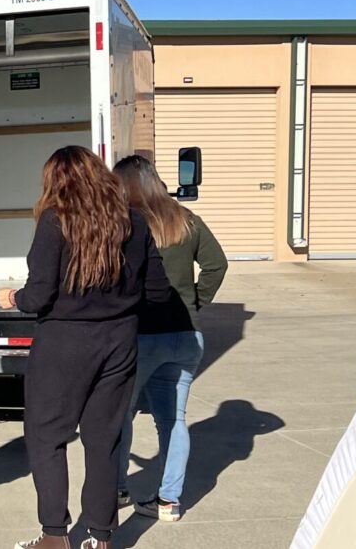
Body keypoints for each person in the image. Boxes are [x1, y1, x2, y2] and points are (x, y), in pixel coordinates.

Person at [1, 146, 173, 549]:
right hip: (119, 341)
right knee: (104, 439)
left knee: (47, 436)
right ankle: (100, 536)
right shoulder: (134, 223)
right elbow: (159, 292)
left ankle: (55, 536)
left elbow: (40, 295)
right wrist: (121, 308)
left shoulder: (53, 222)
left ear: (56, 183)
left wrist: (13, 298)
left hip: (63, 343)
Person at [113, 154, 228, 523]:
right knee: (173, 420)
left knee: (120, 416)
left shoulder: (126, 224)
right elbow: (217, 264)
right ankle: (169, 501)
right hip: (185, 334)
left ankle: (116, 489)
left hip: (142, 334)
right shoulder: (186, 219)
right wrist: (195, 301)